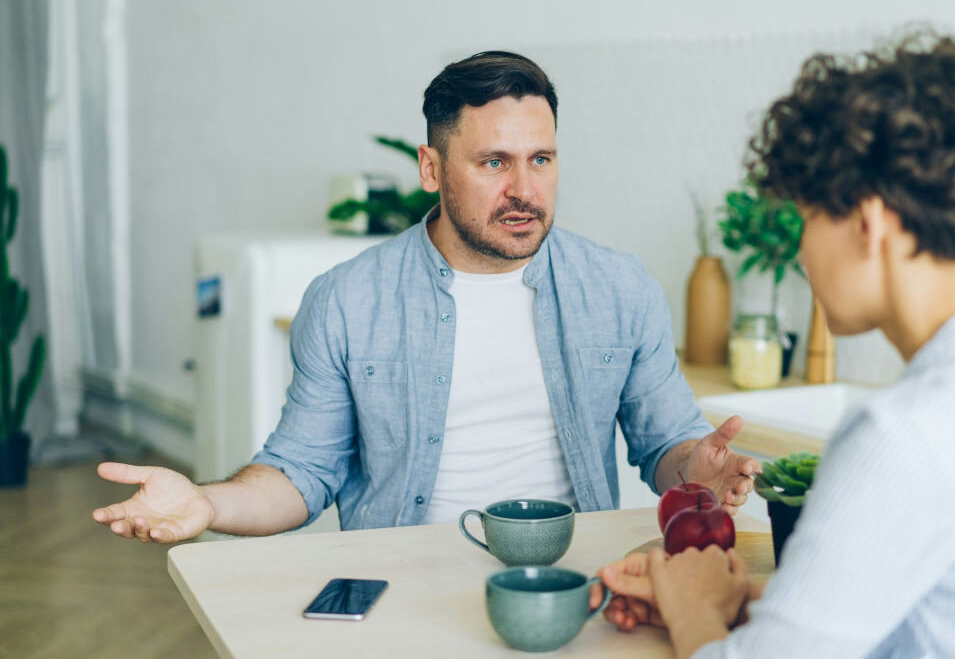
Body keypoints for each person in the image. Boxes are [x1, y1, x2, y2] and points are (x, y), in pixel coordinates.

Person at [92, 51, 760, 543]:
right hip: (399, 580)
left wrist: (694, 465)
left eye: (542, 160)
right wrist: (208, 503)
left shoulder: (619, 289)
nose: (525, 190)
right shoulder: (348, 301)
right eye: (494, 162)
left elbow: (665, 446)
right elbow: (301, 473)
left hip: (571, 581)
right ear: (431, 168)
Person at [596, 32, 955, 658]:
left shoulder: (909, 434)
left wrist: (694, 606)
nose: (799, 252)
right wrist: (747, 608)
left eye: (807, 218)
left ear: (867, 225)